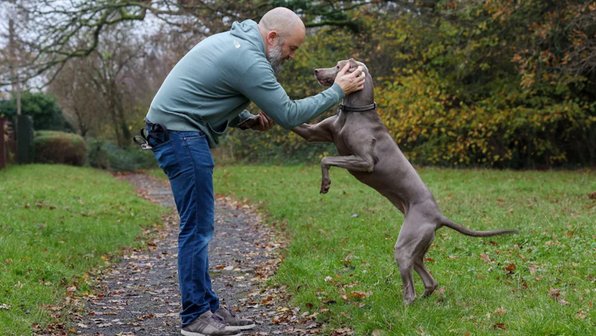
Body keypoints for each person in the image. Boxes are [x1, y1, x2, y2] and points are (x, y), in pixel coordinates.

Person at [144, 7, 365, 336]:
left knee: (200, 225)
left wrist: (245, 119)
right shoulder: (249, 58)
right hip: (180, 136)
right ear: (273, 37)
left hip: (175, 132)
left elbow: (209, 92)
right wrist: (337, 91)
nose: (291, 57)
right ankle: (195, 317)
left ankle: (209, 308)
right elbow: (289, 113)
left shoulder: (234, 43)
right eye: (292, 49)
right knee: (197, 228)